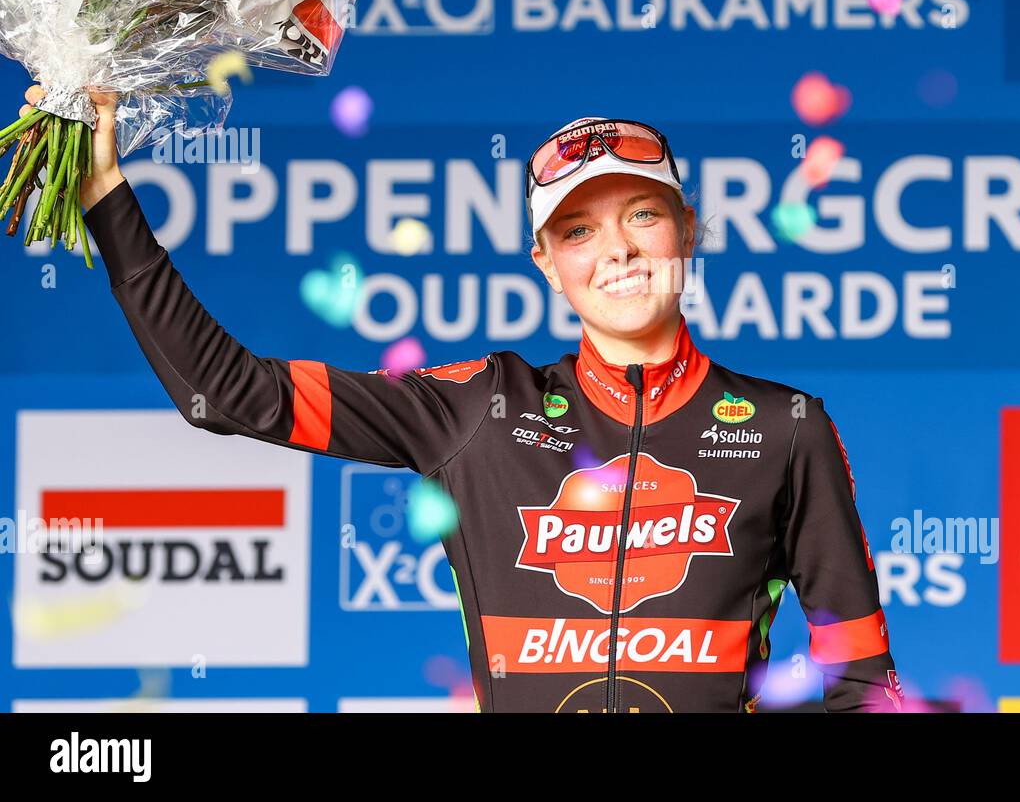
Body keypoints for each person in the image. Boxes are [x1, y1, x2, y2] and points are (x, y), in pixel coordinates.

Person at [38, 81, 903, 713]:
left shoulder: (787, 427)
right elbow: (222, 395)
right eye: (577, 230)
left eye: (643, 214)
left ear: (686, 230)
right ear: (546, 264)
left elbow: (861, 678)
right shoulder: (479, 408)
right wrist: (105, 198)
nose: (618, 251)